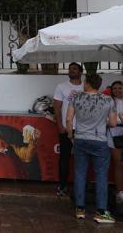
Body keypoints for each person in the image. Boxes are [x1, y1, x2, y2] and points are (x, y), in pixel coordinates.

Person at [66, 74, 117, 223]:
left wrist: (71, 136)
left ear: (87, 83)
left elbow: (68, 120)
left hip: (80, 139)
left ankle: (80, 209)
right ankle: (101, 212)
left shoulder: (76, 98)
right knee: (101, 175)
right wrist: (101, 124)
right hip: (99, 140)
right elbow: (113, 123)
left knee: (80, 173)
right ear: (99, 85)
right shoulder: (108, 100)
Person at [53, 62, 83, 197]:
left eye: (75, 69)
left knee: (81, 159)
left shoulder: (86, 86)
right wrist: (60, 125)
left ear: (80, 72)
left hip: (83, 129)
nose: (72, 71)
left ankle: (79, 188)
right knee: (64, 158)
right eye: (70, 69)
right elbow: (57, 107)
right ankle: (62, 186)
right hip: (66, 128)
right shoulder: (61, 87)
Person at [106, 81, 123, 203]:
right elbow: (105, 119)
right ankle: (120, 192)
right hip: (114, 136)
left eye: (120, 88)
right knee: (119, 164)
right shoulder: (109, 102)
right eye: (115, 88)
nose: (117, 90)